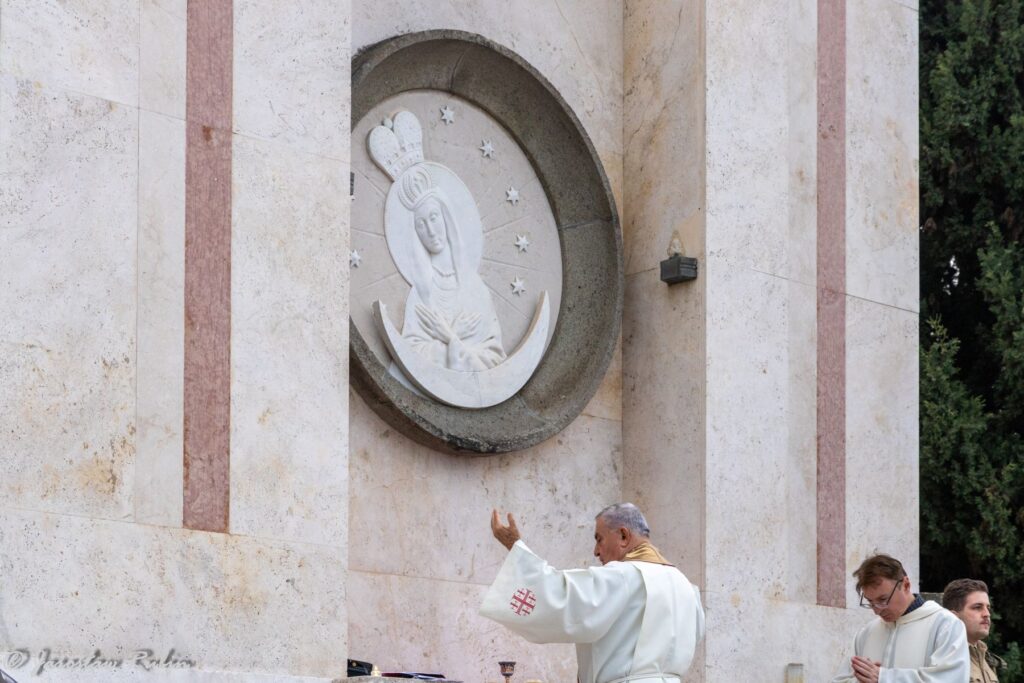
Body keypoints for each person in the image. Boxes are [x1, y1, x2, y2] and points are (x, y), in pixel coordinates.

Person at [480, 503, 704, 683]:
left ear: (624, 536)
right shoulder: (686, 586)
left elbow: (561, 597)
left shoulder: (622, 576)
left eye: (599, 539)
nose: (596, 551)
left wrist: (515, 547)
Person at [831, 554, 969, 682]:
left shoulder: (945, 625)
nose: (877, 610)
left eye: (883, 599)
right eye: (870, 602)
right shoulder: (866, 633)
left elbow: (950, 679)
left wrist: (883, 677)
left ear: (906, 585)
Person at [942, 579, 1005, 682]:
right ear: (953, 617)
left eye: (988, 607)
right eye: (977, 607)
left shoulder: (987, 659)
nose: (987, 614)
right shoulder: (945, 660)